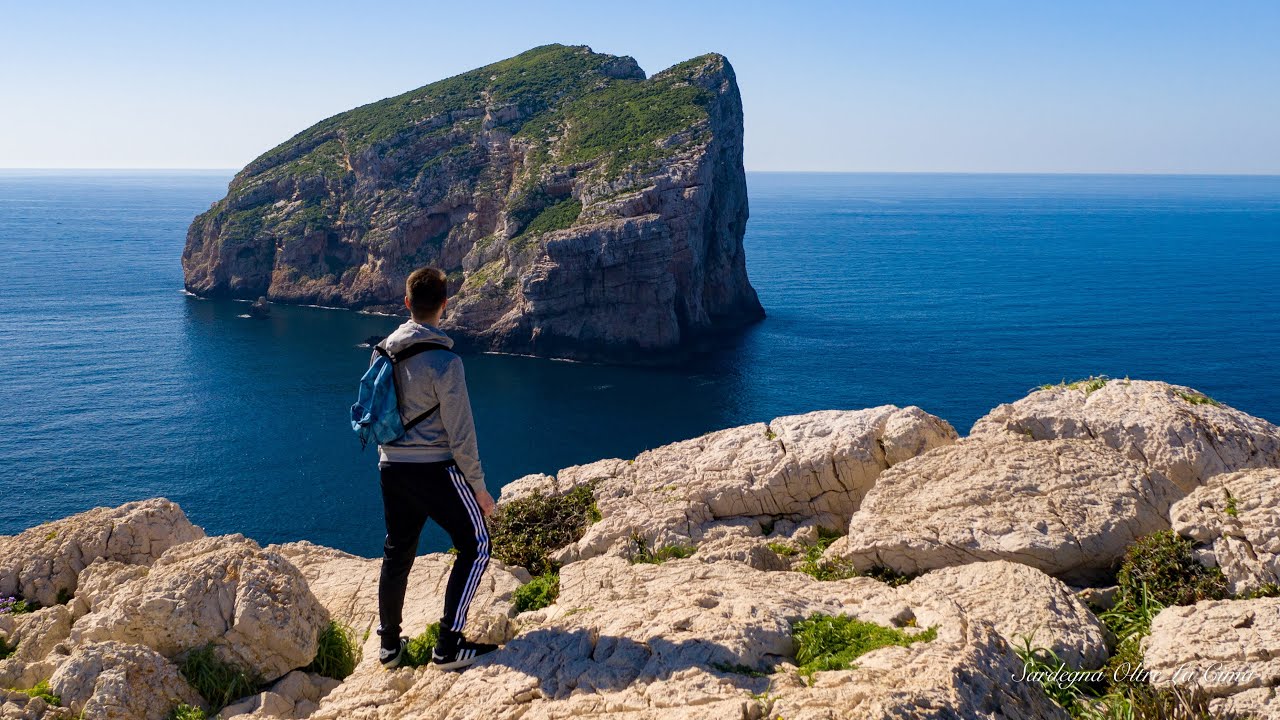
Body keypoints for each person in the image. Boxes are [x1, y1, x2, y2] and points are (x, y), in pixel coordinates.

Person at [373, 266, 499, 670]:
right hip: (434, 469)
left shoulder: (383, 351)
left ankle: (389, 647)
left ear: (407, 303)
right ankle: (448, 646)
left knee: (397, 551)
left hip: (391, 466)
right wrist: (478, 487)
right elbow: (461, 435)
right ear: (445, 305)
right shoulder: (446, 362)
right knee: (477, 545)